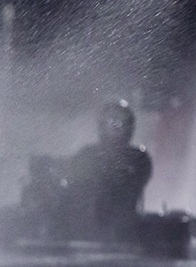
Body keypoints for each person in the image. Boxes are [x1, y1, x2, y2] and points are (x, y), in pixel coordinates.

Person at [64, 99, 153, 240]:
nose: (116, 129)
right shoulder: (87, 155)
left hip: (126, 224)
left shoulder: (138, 158)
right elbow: (73, 183)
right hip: (86, 223)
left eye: (121, 124)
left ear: (130, 127)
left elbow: (137, 182)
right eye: (112, 123)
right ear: (102, 126)